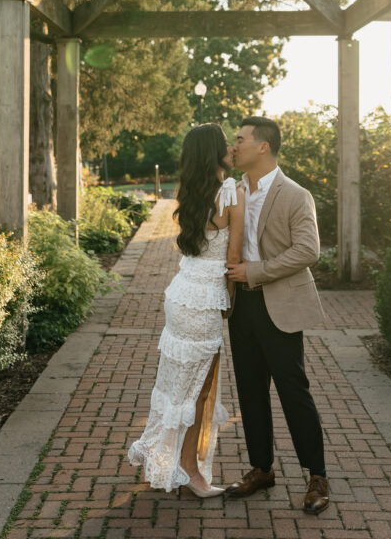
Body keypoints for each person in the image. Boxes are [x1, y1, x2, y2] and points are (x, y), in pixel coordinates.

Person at [128, 123, 244, 497]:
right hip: (204, 300)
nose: (231, 147)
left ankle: (167, 454)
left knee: (176, 384)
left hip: (180, 294)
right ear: (213, 152)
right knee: (198, 390)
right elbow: (233, 257)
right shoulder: (229, 192)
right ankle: (190, 470)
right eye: (225, 143)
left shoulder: (192, 192)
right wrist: (229, 303)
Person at [224, 115, 329, 516]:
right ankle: (261, 469)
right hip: (242, 306)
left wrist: (256, 271)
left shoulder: (295, 194)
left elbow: (308, 251)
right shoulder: (232, 191)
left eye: (240, 139)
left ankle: (317, 475)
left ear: (262, 146)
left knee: (293, 391)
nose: (234, 146)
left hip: (279, 305)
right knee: (250, 391)